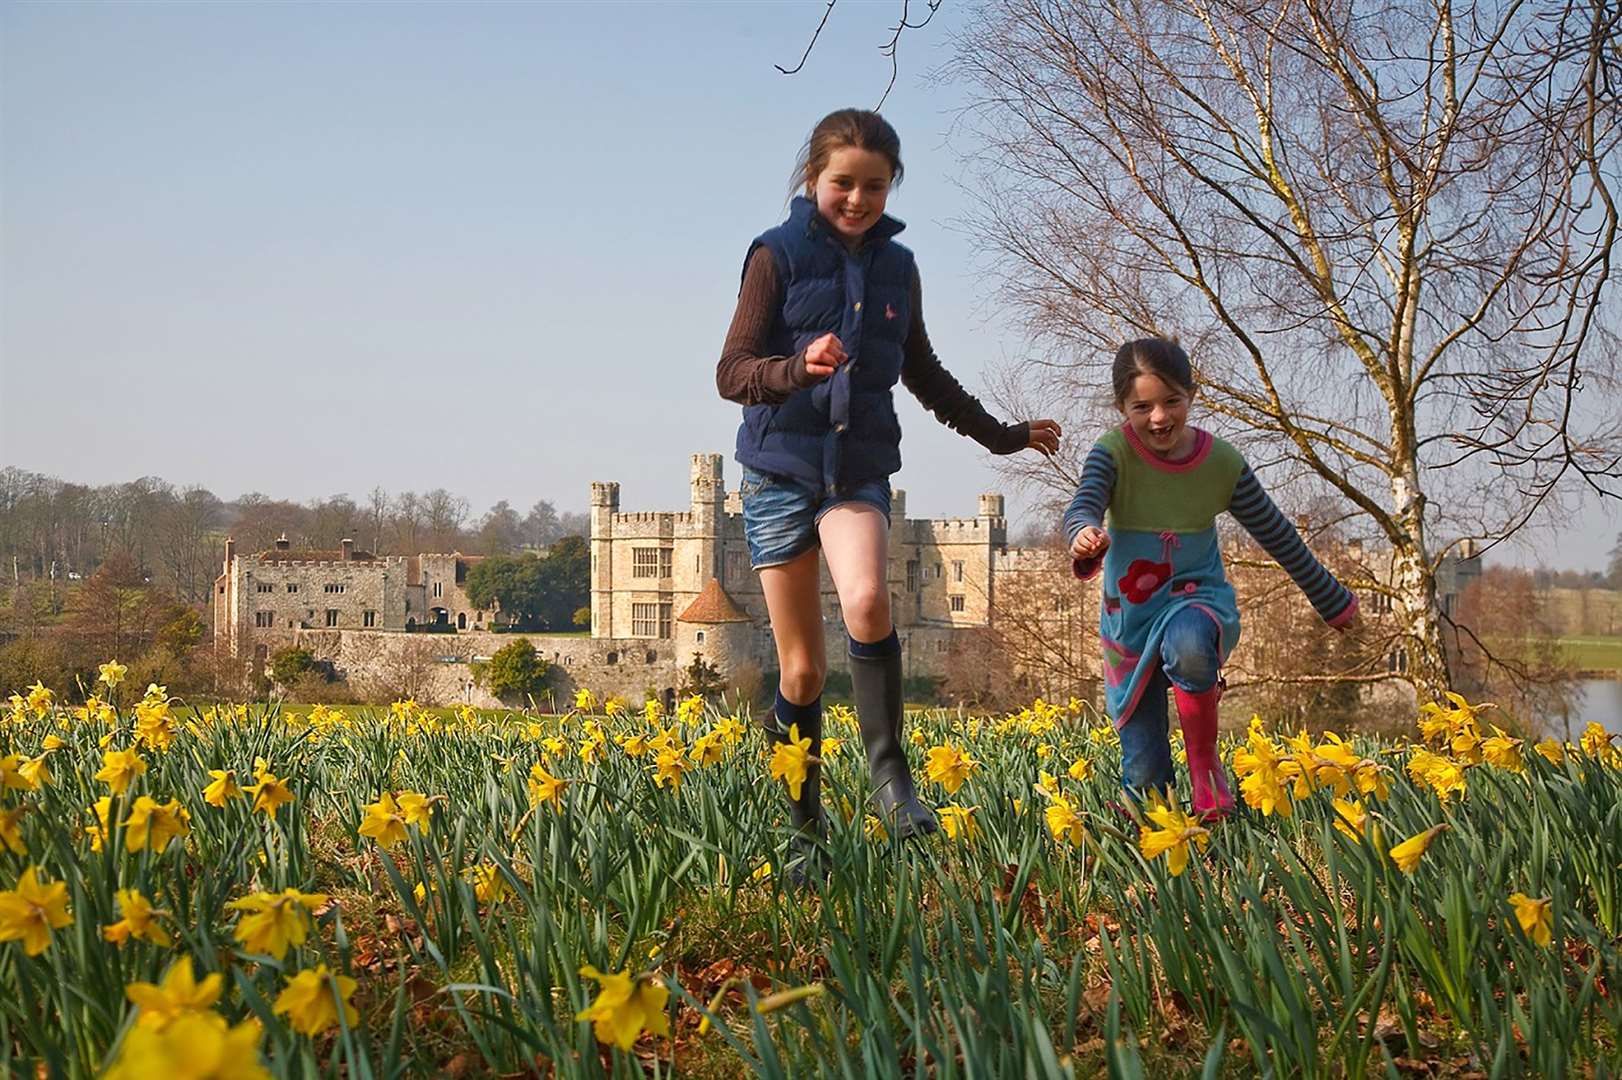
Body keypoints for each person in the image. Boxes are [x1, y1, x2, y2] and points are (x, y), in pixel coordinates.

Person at [717, 108, 1061, 873]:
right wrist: (794, 367)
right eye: (843, 183)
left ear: (890, 187)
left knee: (871, 601)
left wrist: (1003, 436)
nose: (858, 199)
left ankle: (890, 776)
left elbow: (925, 372)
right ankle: (804, 826)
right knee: (801, 670)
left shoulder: (898, 268)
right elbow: (731, 371)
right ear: (814, 179)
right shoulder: (774, 256)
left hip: (858, 470)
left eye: (875, 186)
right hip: (779, 474)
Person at [1063, 338, 1358, 819]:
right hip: (1129, 618)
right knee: (1144, 781)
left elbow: (1277, 533)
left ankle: (1205, 767)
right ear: (1122, 407)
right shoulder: (1111, 453)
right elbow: (1084, 502)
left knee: (1191, 645)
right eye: (1142, 407)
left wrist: (1332, 600)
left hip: (1195, 597)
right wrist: (1083, 533)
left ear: (1191, 397)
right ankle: (1160, 858)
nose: (1159, 418)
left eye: (1171, 402)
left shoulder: (1220, 463)